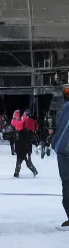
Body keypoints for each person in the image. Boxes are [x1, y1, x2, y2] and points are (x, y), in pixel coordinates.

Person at [52, 86, 69, 227]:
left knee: (67, 183)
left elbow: (59, 129)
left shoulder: (64, 109)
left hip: (64, 151)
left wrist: (54, 144)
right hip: (63, 150)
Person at [15, 110, 39, 178]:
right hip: (27, 147)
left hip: (21, 146)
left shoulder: (20, 127)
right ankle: (34, 171)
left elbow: (17, 138)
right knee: (27, 161)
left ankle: (16, 173)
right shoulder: (30, 127)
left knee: (19, 160)